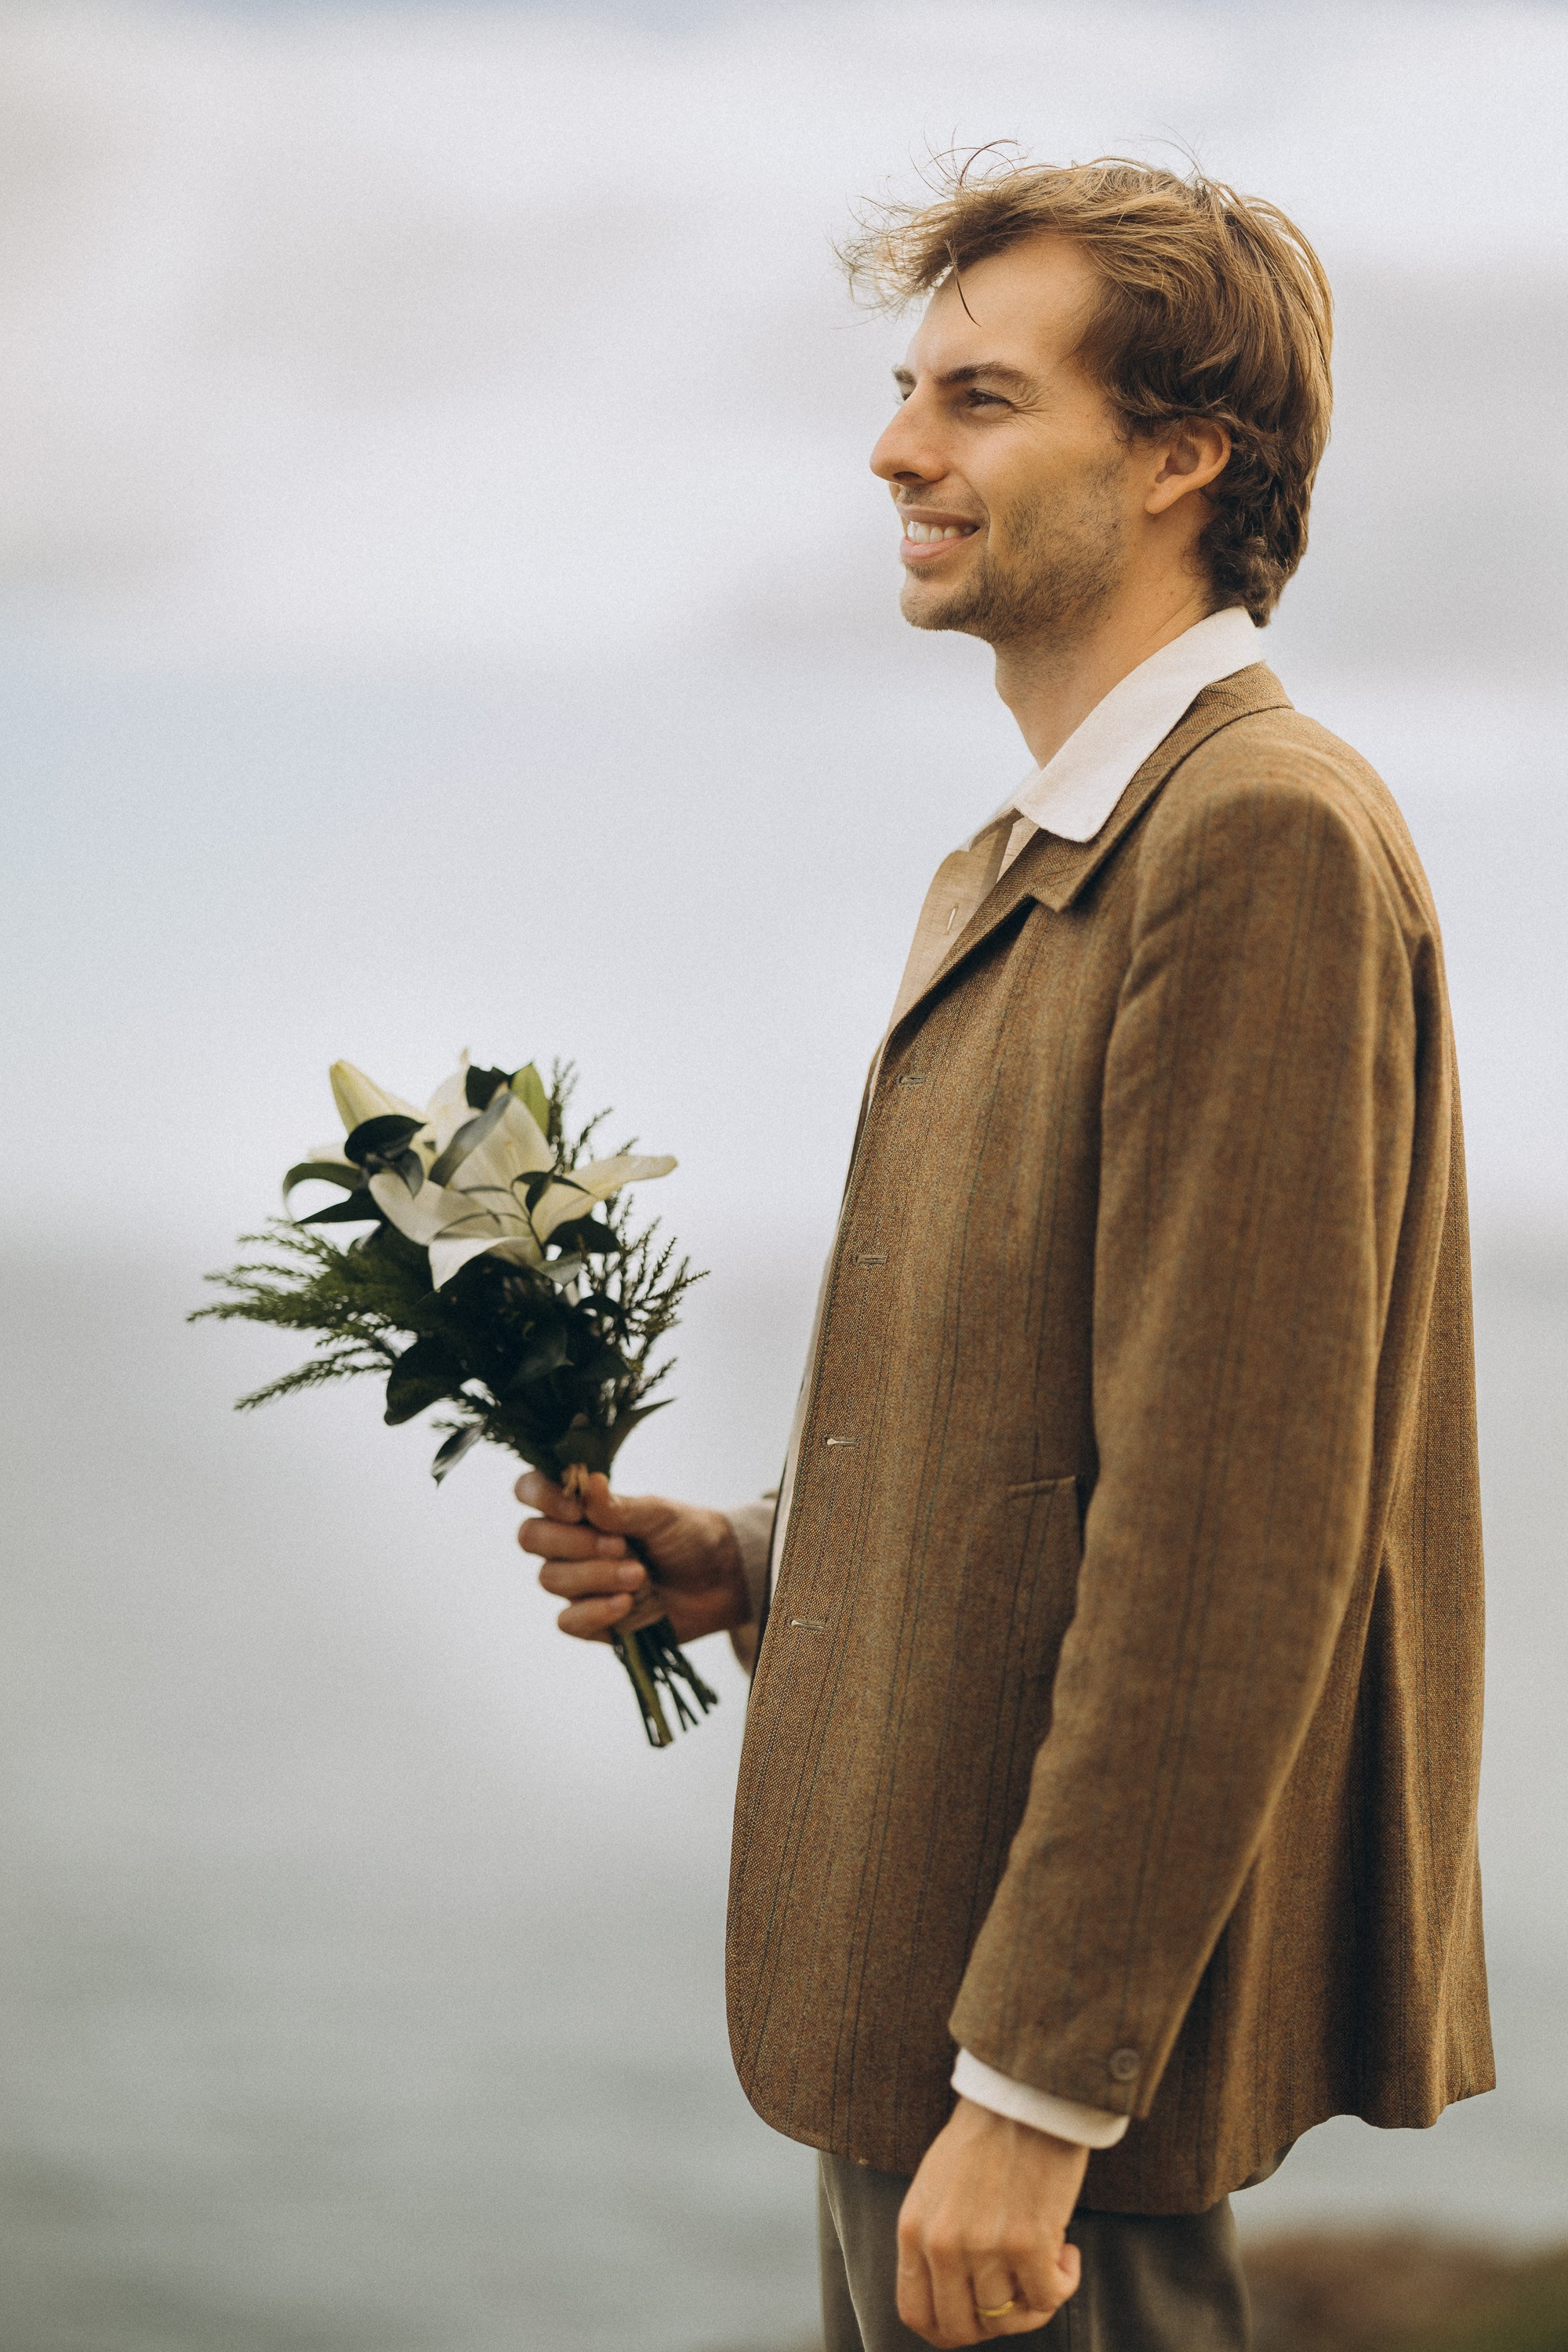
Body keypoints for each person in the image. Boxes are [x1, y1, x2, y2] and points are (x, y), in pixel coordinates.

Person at [517, 158, 1492, 2351]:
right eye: (905, 390)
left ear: (1178, 456)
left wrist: (1043, 2084)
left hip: (1036, 2059)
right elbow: (1064, 1412)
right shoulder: (1035, 852)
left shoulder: (1255, 840)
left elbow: (1236, 1517)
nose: (896, 447)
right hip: (935, 1967)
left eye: (978, 396)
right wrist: (766, 1555)